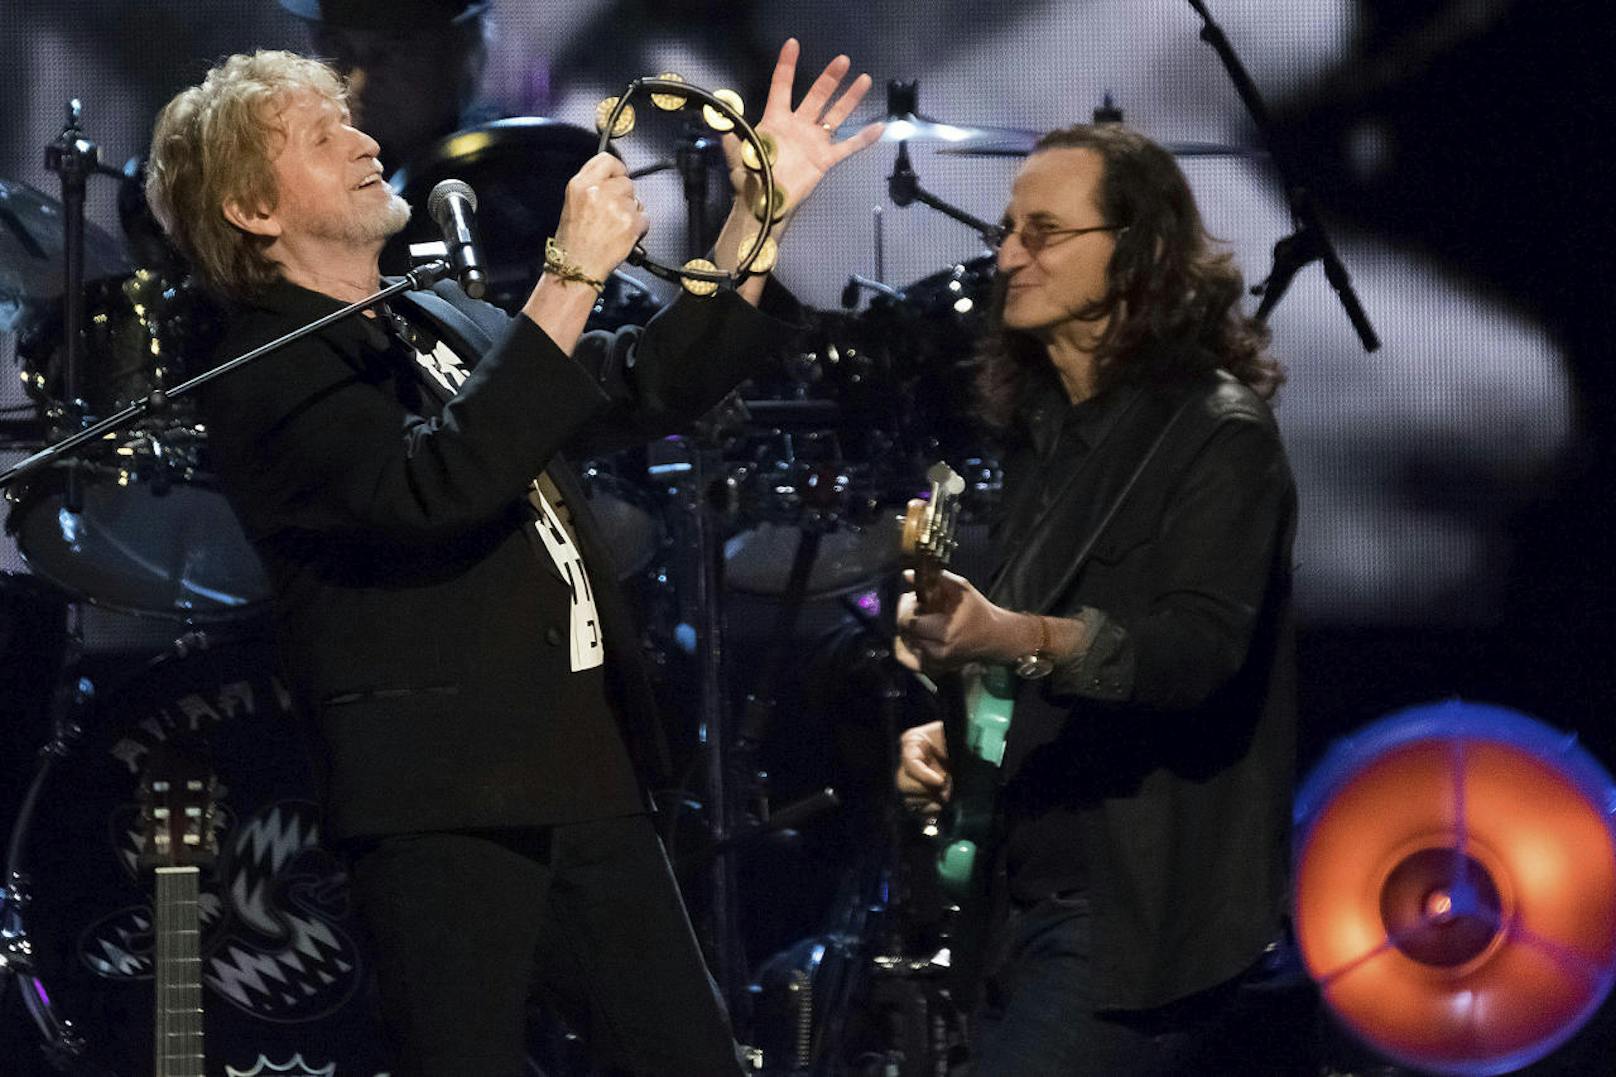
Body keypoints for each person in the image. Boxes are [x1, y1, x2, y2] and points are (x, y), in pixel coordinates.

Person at [145, 41, 879, 1077]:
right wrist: (571, 273)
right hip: (440, 795)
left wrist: (757, 220)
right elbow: (427, 486)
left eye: (353, 123)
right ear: (254, 211)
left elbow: (635, 383)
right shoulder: (260, 366)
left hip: (580, 763)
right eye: (323, 138)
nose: (366, 143)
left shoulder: (433, 314)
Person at [893, 124, 1297, 1075]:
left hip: (1137, 923)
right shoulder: (1048, 440)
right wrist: (964, 735)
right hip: (1029, 906)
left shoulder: (1218, 433)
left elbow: (1192, 651)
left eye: (1042, 230)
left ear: (1137, 250)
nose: (1005, 256)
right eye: (1006, 230)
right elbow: (1037, 669)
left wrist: (1010, 632)